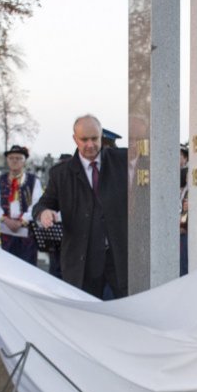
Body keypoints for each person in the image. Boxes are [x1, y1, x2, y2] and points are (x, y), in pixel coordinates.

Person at [33, 114, 128, 299]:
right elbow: (42, 204)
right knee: (87, 316)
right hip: (83, 261)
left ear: (101, 137)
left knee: (125, 313)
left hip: (118, 258)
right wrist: (44, 213)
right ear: (75, 139)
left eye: (95, 138)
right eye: (84, 139)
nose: (90, 145)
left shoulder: (122, 160)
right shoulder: (60, 174)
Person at [0, 144, 42, 265]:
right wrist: (6, 220)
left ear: (24, 161)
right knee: (8, 265)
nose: (14, 161)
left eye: (18, 158)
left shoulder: (33, 181)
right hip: (6, 230)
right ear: (7, 160)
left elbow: (36, 205)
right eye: (11, 158)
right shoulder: (2, 180)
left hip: (27, 232)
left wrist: (22, 221)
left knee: (27, 266)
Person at [179, 143, 189, 276]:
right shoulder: (185, 188)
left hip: (185, 229)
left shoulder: (189, 190)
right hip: (182, 227)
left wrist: (182, 224)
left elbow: (185, 209)